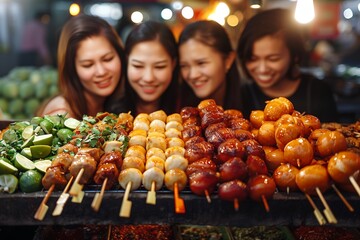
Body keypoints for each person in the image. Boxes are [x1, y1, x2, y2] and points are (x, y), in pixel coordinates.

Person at [237, 8, 338, 122]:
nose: (262, 69)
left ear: (294, 55)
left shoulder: (318, 91)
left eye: (273, 59)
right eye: (252, 59)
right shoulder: (241, 95)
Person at [37, 14, 125, 119]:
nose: (101, 72)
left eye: (108, 59)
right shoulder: (62, 114)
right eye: (87, 65)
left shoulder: (112, 104)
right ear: (72, 69)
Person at [111, 21, 179, 115]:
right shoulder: (107, 113)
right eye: (138, 66)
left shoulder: (190, 113)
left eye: (159, 66)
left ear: (173, 64)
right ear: (126, 62)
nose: (148, 78)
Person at [178, 20, 242, 109]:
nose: (193, 75)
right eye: (184, 66)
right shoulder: (176, 108)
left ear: (228, 60)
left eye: (201, 63)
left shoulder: (253, 102)